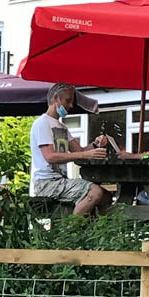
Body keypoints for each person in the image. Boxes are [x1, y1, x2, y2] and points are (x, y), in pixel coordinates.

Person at [29, 83, 110, 217]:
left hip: (60, 181)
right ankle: (70, 231)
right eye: (68, 100)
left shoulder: (62, 127)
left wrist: (95, 144)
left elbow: (79, 151)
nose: (71, 105)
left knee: (106, 196)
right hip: (46, 183)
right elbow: (50, 157)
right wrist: (86, 154)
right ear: (56, 99)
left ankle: (89, 228)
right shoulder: (42, 123)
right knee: (96, 192)